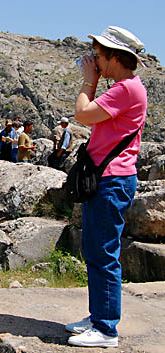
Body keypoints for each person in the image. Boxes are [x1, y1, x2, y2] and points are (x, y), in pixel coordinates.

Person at [66, 26, 147, 348]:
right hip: (108, 178)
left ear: (114, 57)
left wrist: (90, 80)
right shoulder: (126, 88)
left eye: (98, 56)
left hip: (113, 180)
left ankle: (106, 329)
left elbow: (83, 114)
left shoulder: (127, 88)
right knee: (96, 252)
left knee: (103, 255)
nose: (95, 61)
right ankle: (99, 315)